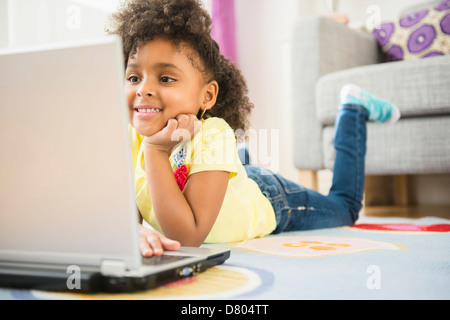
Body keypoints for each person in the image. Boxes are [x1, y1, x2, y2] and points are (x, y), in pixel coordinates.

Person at [107, 0, 401, 256]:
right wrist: (133, 230)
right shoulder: (130, 136)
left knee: (345, 208)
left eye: (166, 78)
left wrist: (156, 152)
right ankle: (240, 161)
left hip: (272, 200)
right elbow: (127, 212)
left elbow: (187, 237)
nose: (143, 89)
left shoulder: (212, 134)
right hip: (229, 183)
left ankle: (353, 109)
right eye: (133, 77)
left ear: (207, 95)